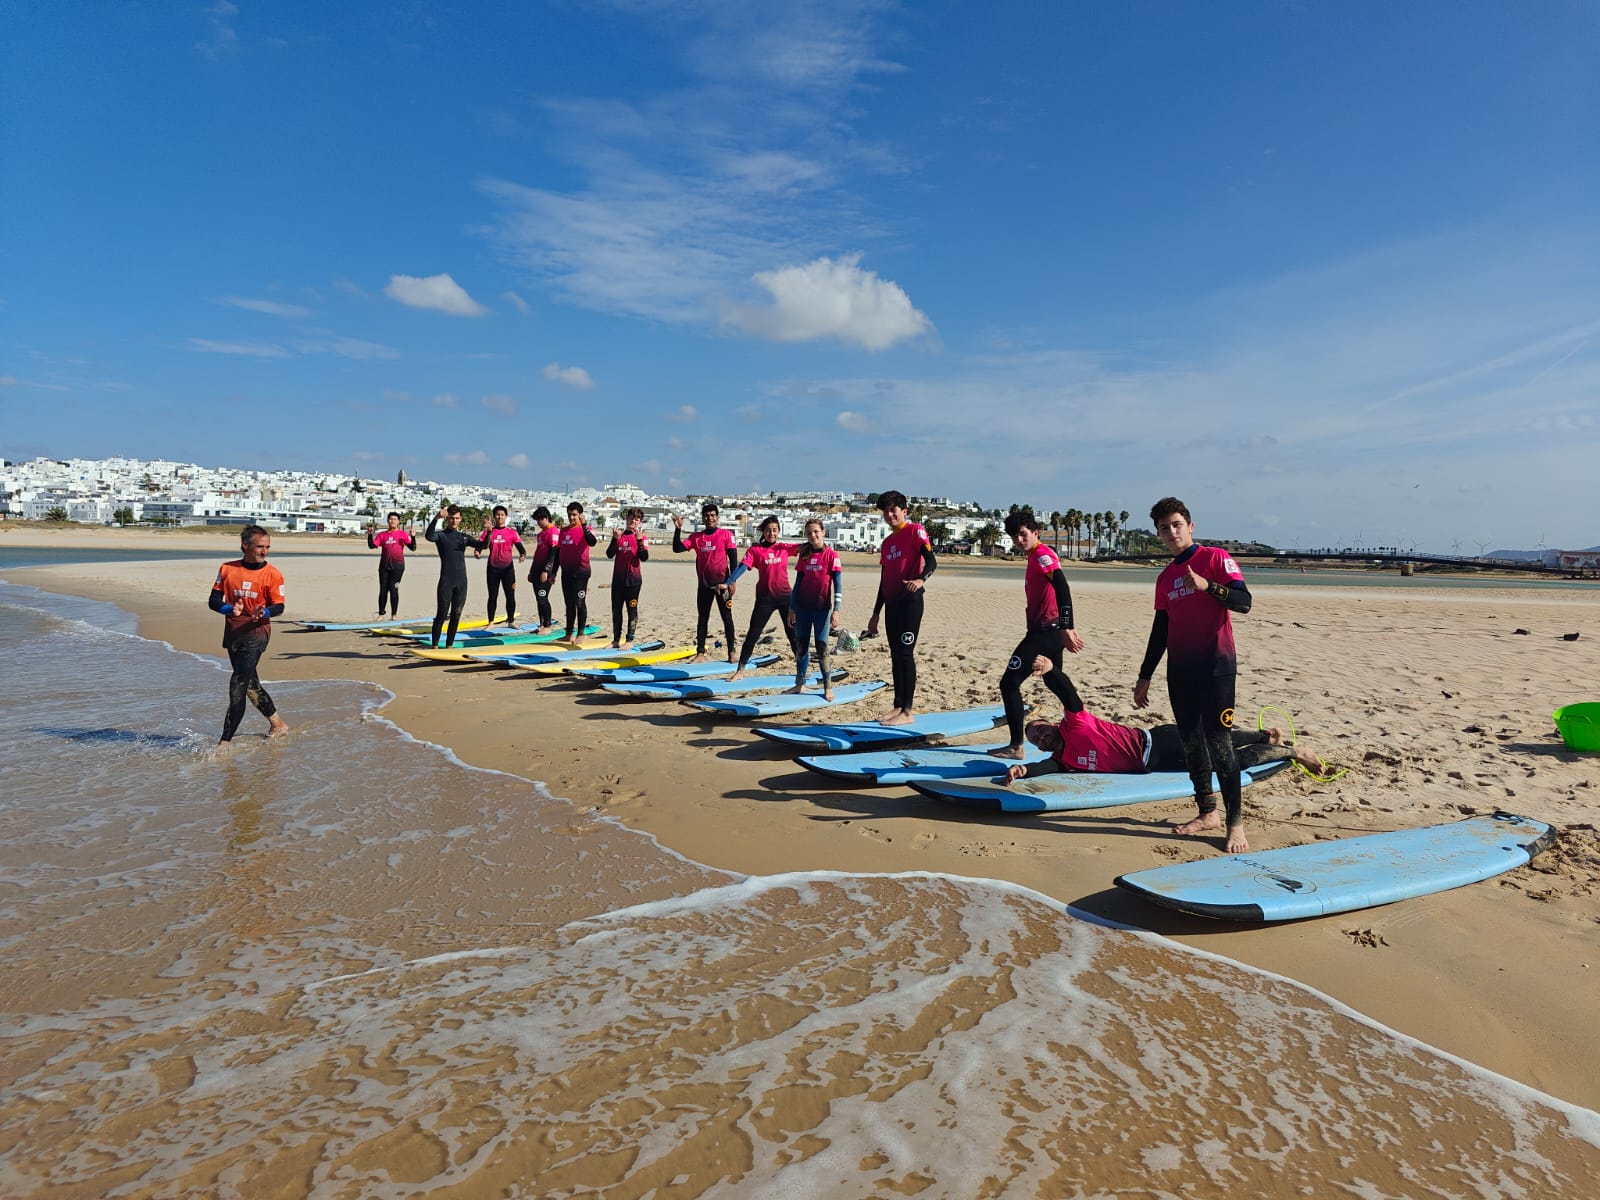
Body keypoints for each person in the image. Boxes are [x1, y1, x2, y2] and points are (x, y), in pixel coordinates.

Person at [1132, 497, 1254, 853]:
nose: (1171, 532)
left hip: (1216, 667)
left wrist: (1208, 586)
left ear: (1190, 526)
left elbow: (1244, 602)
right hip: (1180, 670)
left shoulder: (1215, 558)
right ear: (1158, 535)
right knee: (1191, 743)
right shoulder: (1165, 578)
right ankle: (1207, 811)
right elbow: (1161, 630)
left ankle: (1235, 824)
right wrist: (1145, 675)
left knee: (1220, 743)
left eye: (1176, 525)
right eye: (1163, 528)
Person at [1001, 696, 1323, 783]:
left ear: (1053, 724)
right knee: (1217, 742)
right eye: (1035, 738)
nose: (1040, 736)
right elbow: (1047, 768)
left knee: (1227, 758)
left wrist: (1049, 669)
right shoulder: (1063, 759)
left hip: (1157, 743)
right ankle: (1267, 736)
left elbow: (1067, 691)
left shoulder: (1075, 724)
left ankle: (1295, 752)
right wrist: (1023, 771)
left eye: (1040, 729)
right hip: (1160, 761)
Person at [991, 509, 1086, 759]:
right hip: (1047, 630)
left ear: (1035, 532)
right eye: (1014, 536)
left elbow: (1063, 588)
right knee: (1054, 680)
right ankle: (1081, 726)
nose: (1019, 540)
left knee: (1009, 684)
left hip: (1045, 632)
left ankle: (1016, 746)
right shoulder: (1035, 556)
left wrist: (1067, 626)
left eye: (1023, 534)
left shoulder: (1043, 555)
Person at [210, 524, 290, 745]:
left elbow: (279, 606)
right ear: (245, 545)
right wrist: (229, 609)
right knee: (250, 684)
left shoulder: (273, 574)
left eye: (268, 547)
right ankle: (278, 723)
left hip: (257, 632)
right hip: (233, 632)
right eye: (260, 546)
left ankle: (224, 742)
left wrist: (265, 612)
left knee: (237, 683)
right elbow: (213, 601)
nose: (265, 551)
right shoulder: (227, 569)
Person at [865, 490, 936, 725]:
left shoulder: (915, 531)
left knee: (905, 654)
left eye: (893, 510)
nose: (889, 515)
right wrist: (876, 613)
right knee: (895, 656)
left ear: (904, 511)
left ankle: (907, 711)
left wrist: (921, 579)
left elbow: (932, 560)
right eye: (885, 512)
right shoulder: (887, 544)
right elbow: (884, 580)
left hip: (910, 603)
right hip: (892, 605)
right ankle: (898, 706)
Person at [725, 515, 797, 680]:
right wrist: (729, 581)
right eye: (768, 530)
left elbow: (806, 547)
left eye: (774, 530)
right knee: (753, 634)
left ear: (778, 531)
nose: (771, 533)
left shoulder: (784, 548)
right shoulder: (755, 550)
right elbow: (743, 566)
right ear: (763, 532)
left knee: (793, 634)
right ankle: (740, 671)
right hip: (765, 599)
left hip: (786, 597)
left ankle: (802, 669)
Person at [673, 502, 738, 662]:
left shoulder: (726, 535)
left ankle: (731, 653)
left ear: (717, 517)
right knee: (702, 619)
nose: (710, 518)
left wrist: (732, 581)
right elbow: (677, 548)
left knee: (727, 618)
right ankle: (700, 653)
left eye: (713, 515)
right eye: (707, 516)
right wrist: (678, 529)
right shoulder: (696, 537)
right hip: (704, 586)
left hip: (723, 585)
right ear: (703, 518)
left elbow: (733, 559)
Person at [787, 518, 843, 701]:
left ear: (823, 532)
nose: (813, 536)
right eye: (809, 533)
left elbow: (838, 586)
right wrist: (791, 608)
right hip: (803, 609)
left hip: (822, 610)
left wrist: (836, 610)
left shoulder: (832, 556)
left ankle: (828, 687)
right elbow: (797, 585)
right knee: (801, 646)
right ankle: (799, 684)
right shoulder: (804, 555)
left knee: (822, 647)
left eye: (816, 532)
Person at [426, 504, 483, 649]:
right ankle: (435, 645)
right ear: (447, 519)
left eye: (457, 518)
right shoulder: (441, 535)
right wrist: (436, 518)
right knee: (441, 614)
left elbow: (482, 544)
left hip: (461, 581)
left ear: (460, 519)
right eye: (451, 518)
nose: (454, 521)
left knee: (456, 614)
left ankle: (449, 645)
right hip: (446, 580)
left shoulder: (463, 537)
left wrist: (489, 532)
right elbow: (429, 536)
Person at [475, 505, 526, 627]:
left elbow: (521, 548)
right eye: (497, 515)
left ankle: (511, 621)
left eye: (502, 515)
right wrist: (477, 551)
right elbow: (481, 544)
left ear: (506, 516)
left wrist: (522, 555)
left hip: (508, 569)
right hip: (492, 568)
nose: (500, 517)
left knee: (510, 595)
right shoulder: (488, 531)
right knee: (492, 596)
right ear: (494, 516)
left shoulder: (512, 532)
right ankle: (491, 622)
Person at [605, 507, 649, 648]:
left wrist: (639, 541)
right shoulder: (620, 536)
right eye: (631, 518)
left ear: (640, 522)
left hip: (633, 581)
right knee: (616, 611)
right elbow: (609, 554)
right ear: (626, 518)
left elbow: (644, 557)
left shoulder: (641, 537)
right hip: (618, 581)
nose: (633, 521)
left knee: (632, 610)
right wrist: (614, 539)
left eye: (636, 519)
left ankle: (629, 640)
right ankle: (616, 640)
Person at [554, 501, 598, 640]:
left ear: (580, 515)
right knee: (569, 604)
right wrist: (553, 572)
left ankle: (581, 633)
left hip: (581, 572)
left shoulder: (587, 528)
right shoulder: (564, 531)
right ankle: (569, 634)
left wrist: (584, 525)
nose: (571, 517)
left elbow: (592, 542)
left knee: (580, 603)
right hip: (566, 572)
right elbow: (558, 552)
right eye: (569, 515)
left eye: (574, 515)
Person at [367, 511, 415, 618]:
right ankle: (381, 614)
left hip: (397, 566)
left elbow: (413, 548)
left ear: (398, 521)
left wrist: (413, 537)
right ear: (388, 521)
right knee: (383, 590)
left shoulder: (402, 534)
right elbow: (371, 546)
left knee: (394, 590)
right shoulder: (382, 535)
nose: (392, 521)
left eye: (395, 519)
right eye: (390, 519)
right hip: (384, 566)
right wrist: (370, 535)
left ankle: (394, 614)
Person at [526, 506, 561, 632]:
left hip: (546, 571)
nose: (538, 523)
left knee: (542, 597)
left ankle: (547, 625)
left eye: (539, 520)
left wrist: (546, 570)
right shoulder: (541, 534)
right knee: (538, 599)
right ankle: (541, 624)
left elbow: (554, 553)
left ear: (545, 518)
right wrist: (531, 571)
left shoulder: (554, 531)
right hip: (536, 569)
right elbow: (537, 553)